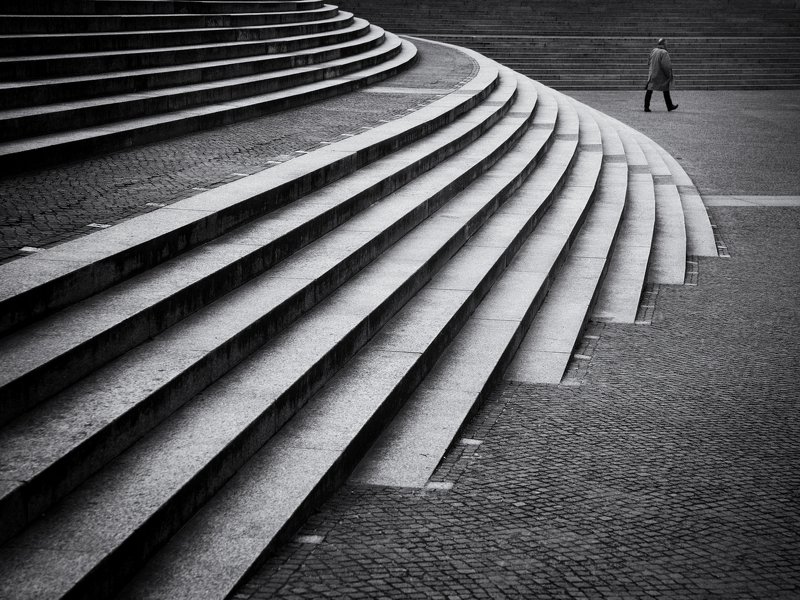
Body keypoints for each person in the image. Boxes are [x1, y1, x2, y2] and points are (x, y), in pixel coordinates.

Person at [645, 38, 678, 112]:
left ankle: (646, 106)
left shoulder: (653, 50)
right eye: (666, 43)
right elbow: (666, 65)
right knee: (665, 88)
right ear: (663, 44)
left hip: (652, 73)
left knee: (649, 89)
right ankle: (669, 106)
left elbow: (648, 61)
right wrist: (668, 74)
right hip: (660, 74)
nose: (667, 44)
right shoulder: (664, 52)